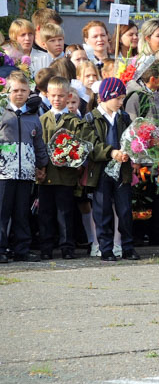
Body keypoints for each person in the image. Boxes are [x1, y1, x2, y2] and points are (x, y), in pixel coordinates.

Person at [85, 77, 139, 262]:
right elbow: (91, 145)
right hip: (100, 173)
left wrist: (130, 152)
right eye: (118, 98)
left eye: (123, 98)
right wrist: (111, 152)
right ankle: (106, 248)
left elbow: (131, 138)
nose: (121, 102)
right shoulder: (91, 118)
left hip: (122, 172)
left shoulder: (123, 117)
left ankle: (128, 247)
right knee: (103, 212)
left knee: (125, 211)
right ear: (105, 97)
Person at [38, 76, 93, 260]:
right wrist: (41, 166)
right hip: (45, 176)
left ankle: (67, 247)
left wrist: (76, 161)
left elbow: (81, 146)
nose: (57, 99)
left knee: (65, 212)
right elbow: (39, 145)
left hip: (67, 175)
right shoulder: (42, 120)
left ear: (68, 96)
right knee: (46, 213)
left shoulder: (75, 121)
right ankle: (46, 247)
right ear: (47, 95)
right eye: (53, 96)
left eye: (61, 96)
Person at [0, 72, 48, 263]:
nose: (19, 94)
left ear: (29, 91)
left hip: (25, 172)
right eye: (15, 90)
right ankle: (1, 248)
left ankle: (22, 248)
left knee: (22, 213)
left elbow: (39, 143)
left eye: (23, 90)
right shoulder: (3, 114)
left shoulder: (33, 116)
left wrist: (42, 164)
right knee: (2, 213)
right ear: (7, 92)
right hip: (4, 173)